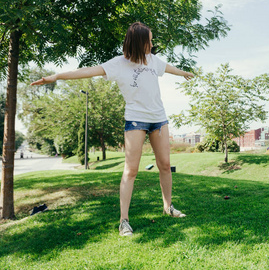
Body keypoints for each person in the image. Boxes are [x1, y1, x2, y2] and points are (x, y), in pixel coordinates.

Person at [31, 22, 194, 236]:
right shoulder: (118, 64)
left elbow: (168, 68)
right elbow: (87, 71)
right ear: (138, 43)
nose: (152, 44)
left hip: (159, 119)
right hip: (136, 120)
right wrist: (58, 76)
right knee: (131, 170)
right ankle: (124, 221)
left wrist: (183, 73)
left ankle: (168, 207)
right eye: (149, 41)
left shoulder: (153, 60)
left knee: (165, 164)